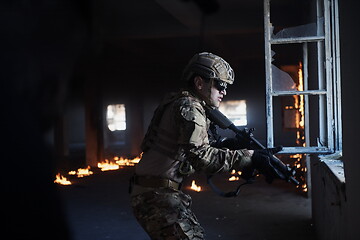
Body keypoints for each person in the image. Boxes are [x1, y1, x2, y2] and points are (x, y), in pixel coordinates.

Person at [130, 52, 282, 239]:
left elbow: (193, 148)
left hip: (158, 192)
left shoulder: (186, 103)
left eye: (225, 87)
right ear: (199, 83)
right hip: (155, 196)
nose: (224, 92)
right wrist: (249, 157)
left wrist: (233, 147)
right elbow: (200, 156)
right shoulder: (190, 107)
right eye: (219, 85)